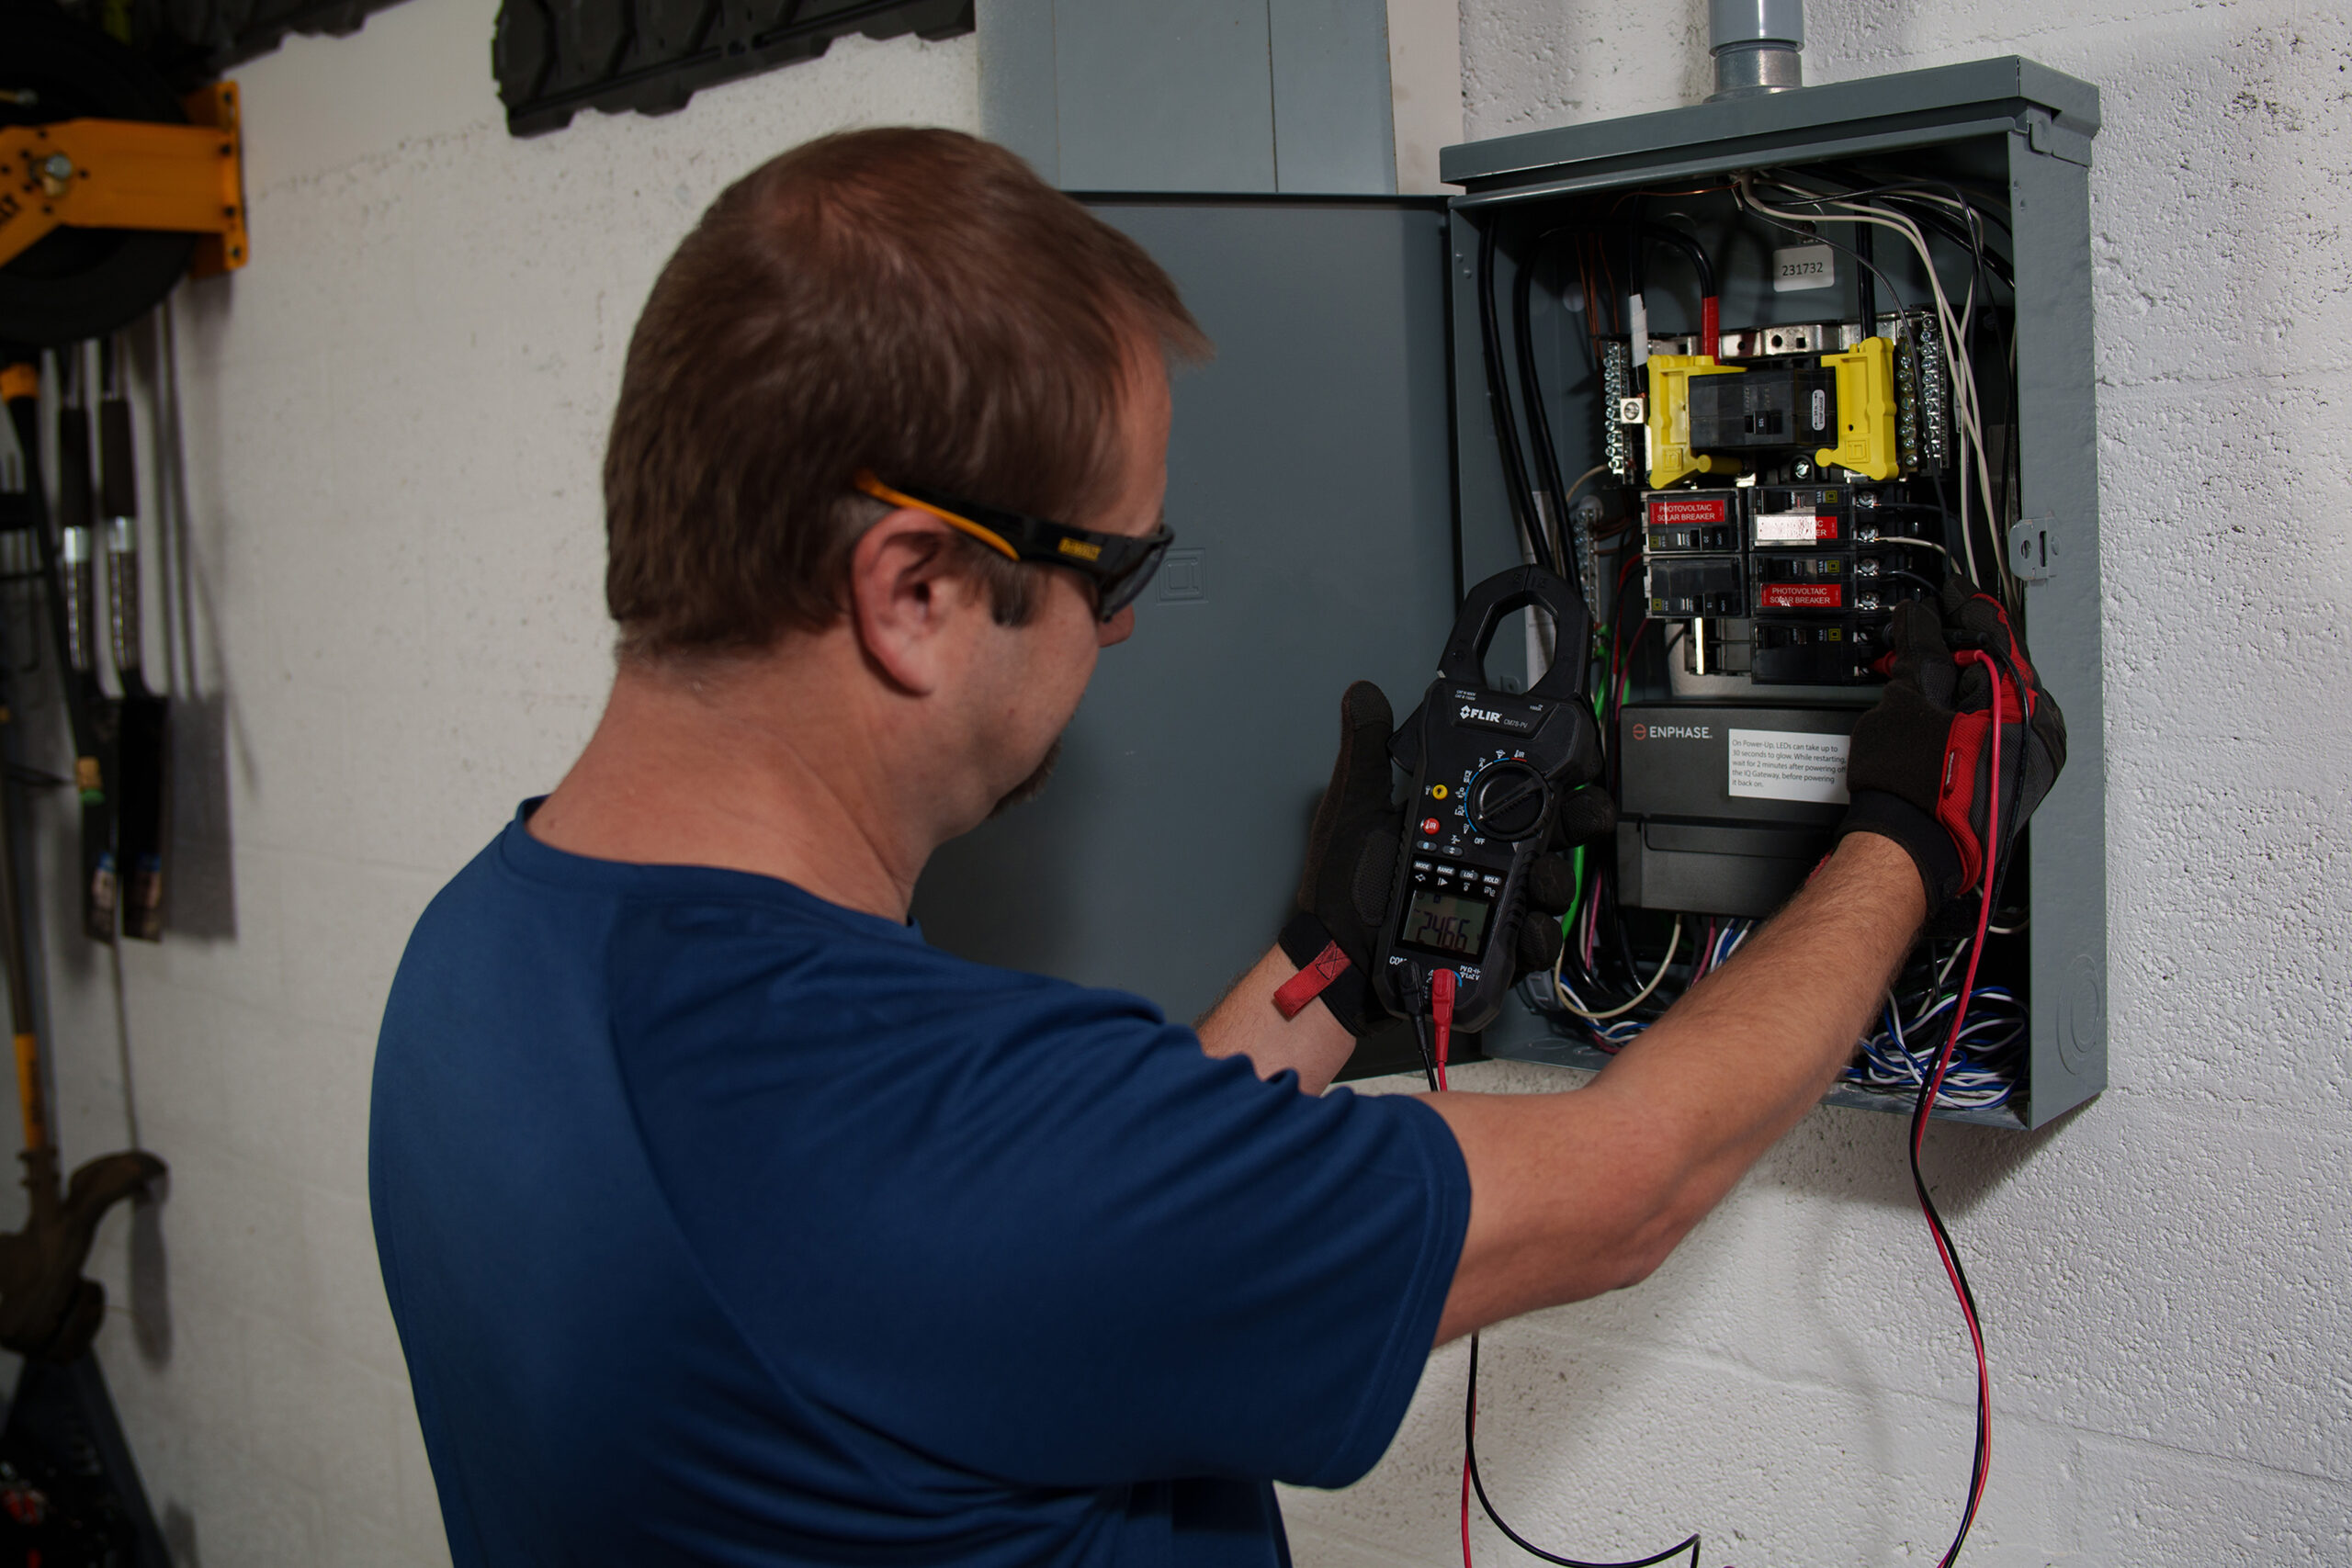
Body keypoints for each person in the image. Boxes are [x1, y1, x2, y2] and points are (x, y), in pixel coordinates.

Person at [368, 127, 2064, 1568]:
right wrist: (1909, 837)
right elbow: (1629, 1186)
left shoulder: (476, 962)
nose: (1115, 636)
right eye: (1115, 573)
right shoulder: (931, 1131)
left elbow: (1038, 1254)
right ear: (916, 590)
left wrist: (1335, 966)